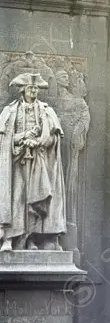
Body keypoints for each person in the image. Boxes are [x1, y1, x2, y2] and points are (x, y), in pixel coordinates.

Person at [0, 72, 67, 251]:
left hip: (39, 162)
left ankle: (32, 240)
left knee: (36, 198)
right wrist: (24, 137)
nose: (34, 91)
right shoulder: (10, 111)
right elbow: (5, 139)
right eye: (30, 88)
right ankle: (10, 238)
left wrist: (37, 142)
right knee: (17, 198)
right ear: (22, 90)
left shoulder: (46, 111)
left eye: (36, 88)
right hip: (17, 163)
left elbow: (54, 137)